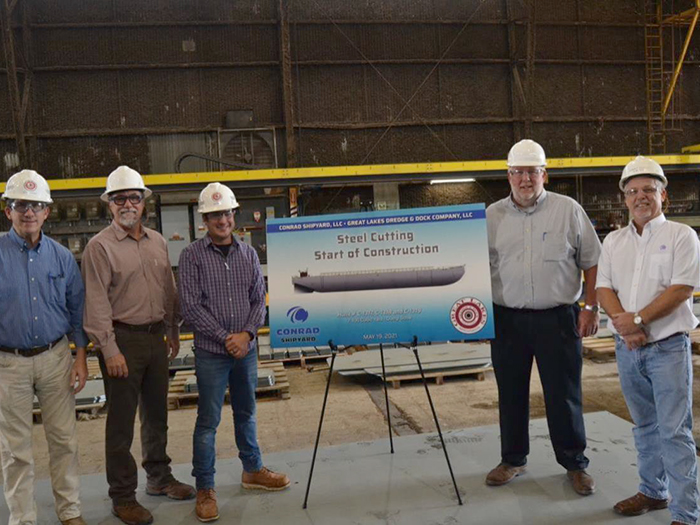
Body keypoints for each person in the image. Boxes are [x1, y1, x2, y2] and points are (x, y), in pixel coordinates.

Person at [484, 139, 601, 495]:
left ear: (544, 175)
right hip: (507, 321)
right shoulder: (491, 216)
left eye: (531, 172)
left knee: (563, 393)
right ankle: (513, 459)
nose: (524, 179)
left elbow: (592, 260)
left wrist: (591, 307)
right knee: (511, 393)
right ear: (508, 176)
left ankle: (574, 463)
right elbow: (475, 266)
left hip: (559, 319)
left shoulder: (568, 210)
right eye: (517, 172)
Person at [82, 166, 194, 525]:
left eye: (134, 197)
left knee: (156, 414)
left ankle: (159, 478)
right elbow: (96, 302)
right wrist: (109, 349)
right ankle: (123, 496)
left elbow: (168, 290)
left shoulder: (158, 241)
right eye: (119, 199)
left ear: (144, 203)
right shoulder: (99, 248)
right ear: (109, 205)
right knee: (120, 423)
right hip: (122, 340)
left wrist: (173, 330)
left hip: (155, 338)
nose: (127, 204)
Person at [596, 156, 699, 525]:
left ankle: (686, 513)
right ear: (624, 198)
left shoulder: (681, 236)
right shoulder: (614, 241)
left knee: (674, 431)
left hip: (668, 349)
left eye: (648, 190)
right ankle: (653, 492)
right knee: (644, 427)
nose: (641, 197)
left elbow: (682, 288)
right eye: (633, 191)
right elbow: (603, 287)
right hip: (628, 350)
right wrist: (626, 328)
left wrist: (638, 319)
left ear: (663, 195)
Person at [179, 183, 290, 523]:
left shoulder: (248, 255)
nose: (222, 220)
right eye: (214, 215)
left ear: (233, 215)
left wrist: (245, 335)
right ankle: (205, 488)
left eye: (226, 213)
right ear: (205, 220)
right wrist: (227, 337)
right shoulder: (191, 256)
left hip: (246, 350)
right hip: (212, 353)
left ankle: (252, 470)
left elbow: (260, 300)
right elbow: (190, 307)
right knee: (208, 422)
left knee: (247, 411)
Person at [0, 170, 88, 525]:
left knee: (64, 441)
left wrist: (80, 357)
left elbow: (76, 310)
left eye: (36, 205)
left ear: (47, 211)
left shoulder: (62, 258)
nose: (29, 213)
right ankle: (23, 519)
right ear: (8, 210)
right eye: (21, 204)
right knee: (15, 451)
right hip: (9, 363)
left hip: (55, 359)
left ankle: (70, 512)